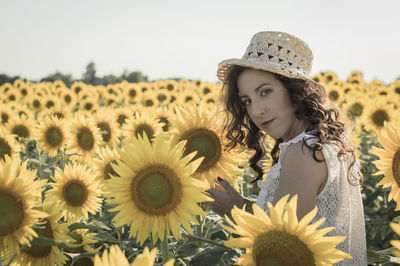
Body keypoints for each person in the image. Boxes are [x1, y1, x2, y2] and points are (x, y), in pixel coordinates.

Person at [206, 31, 367, 265]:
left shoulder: (303, 151)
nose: (256, 111)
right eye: (247, 101)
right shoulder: (323, 141)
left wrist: (234, 212)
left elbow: (281, 249)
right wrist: (241, 205)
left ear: (294, 90)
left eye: (265, 92)